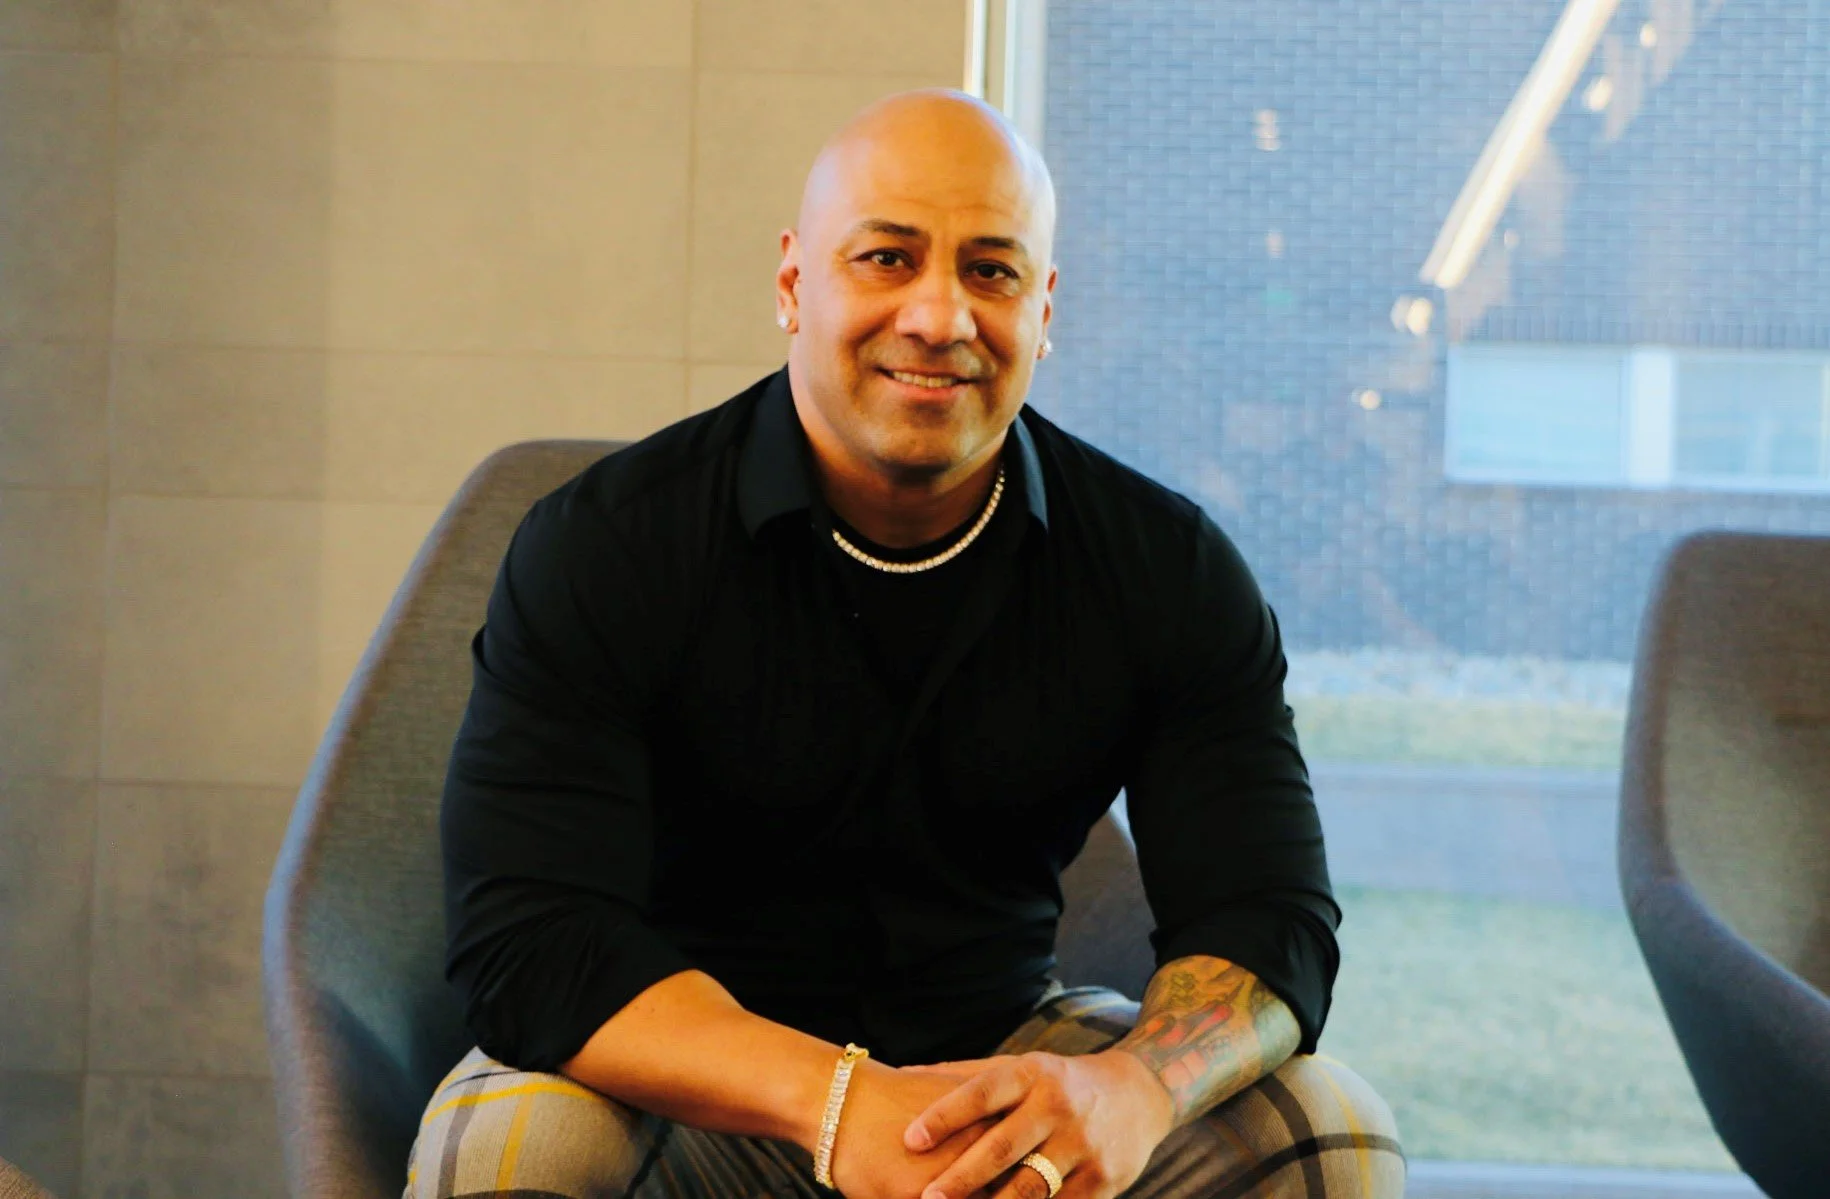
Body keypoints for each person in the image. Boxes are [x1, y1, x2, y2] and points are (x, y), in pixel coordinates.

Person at [408, 89, 1402, 1199]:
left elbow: (1269, 920)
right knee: (508, 1145)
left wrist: (1135, 1087)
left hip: (999, 1070)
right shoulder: (604, 544)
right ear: (794, 283)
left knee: (1331, 1130)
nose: (941, 317)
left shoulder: (1165, 566)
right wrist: (832, 1097)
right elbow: (532, 940)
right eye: (886, 259)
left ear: (1043, 305)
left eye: (992, 270)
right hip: (689, 1085)